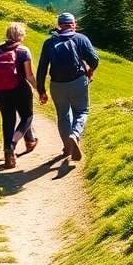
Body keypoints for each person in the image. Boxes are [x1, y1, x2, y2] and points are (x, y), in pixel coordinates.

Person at [37, 12, 99, 161]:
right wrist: (90, 71)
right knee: (82, 111)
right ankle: (75, 135)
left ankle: (67, 147)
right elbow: (94, 60)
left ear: (59, 25)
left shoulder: (49, 42)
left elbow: (42, 68)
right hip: (78, 82)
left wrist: (41, 90)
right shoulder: (80, 39)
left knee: (63, 115)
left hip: (57, 85)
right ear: (73, 24)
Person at [0, 22, 38, 169]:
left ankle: (9, 154)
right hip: (19, 89)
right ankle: (12, 145)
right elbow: (29, 75)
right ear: (20, 35)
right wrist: (39, 89)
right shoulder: (23, 51)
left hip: (1, 90)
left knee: (8, 119)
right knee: (27, 117)